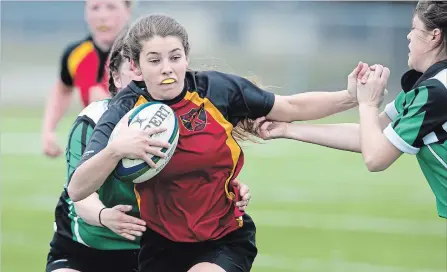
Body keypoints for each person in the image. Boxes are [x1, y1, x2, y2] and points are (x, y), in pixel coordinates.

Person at [67, 14, 368, 272]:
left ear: (186, 56)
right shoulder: (125, 111)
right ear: (136, 66)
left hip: (224, 237)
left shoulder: (217, 90)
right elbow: (78, 187)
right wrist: (116, 149)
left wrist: (350, 96)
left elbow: (290, 107)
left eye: (175, 57)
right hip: (160, 245)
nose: (167, 68)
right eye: (154, 60)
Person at [46, 27, 255, 272]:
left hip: (151, 248)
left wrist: (229, 190)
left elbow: (197, 173)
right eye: (135, 75)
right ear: (115, 77)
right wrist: (105, 216)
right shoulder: (93, 122)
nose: (144, 83)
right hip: (87, 247)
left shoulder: (169, 120)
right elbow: (79, 194)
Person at [255, 1, 447, 219]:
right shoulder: (429, 87)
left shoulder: (437, 91)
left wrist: (368, 104)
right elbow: (371, 137)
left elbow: (376, 158)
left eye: (414, 28)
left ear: (435, 35)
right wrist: (287, 130)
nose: (408, 36)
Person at [41, 0, 133, 158]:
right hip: (94, 149)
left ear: (127, 11)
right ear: (85, 13)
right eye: (95, 8)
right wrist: (48, 130)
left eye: (111, 7)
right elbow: (63, 89)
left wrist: (110, 106)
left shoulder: (142, 53)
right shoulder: (75, 54)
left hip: (135, 146)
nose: (102, 16)